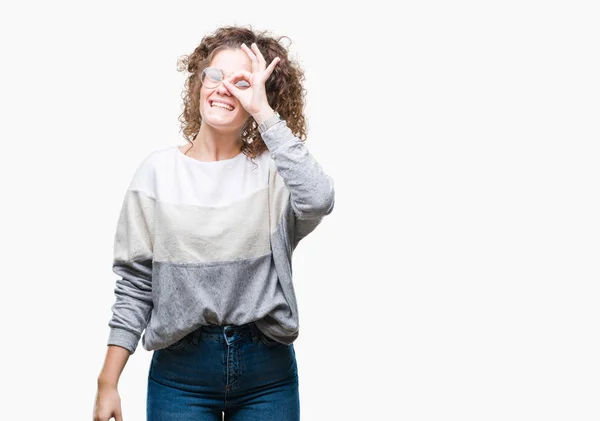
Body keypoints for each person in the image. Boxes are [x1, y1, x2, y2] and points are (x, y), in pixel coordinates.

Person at [93, 25, 335, 421]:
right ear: (198, 82)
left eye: (242, 82)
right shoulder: (157, 172)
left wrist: (266, 115)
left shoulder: (275, 173)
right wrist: (108, 381)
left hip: (267, 373)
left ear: (260, 95)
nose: (224, 88)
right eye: (215, 75)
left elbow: (319, 199)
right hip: (180, 374)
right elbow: (136, 285)